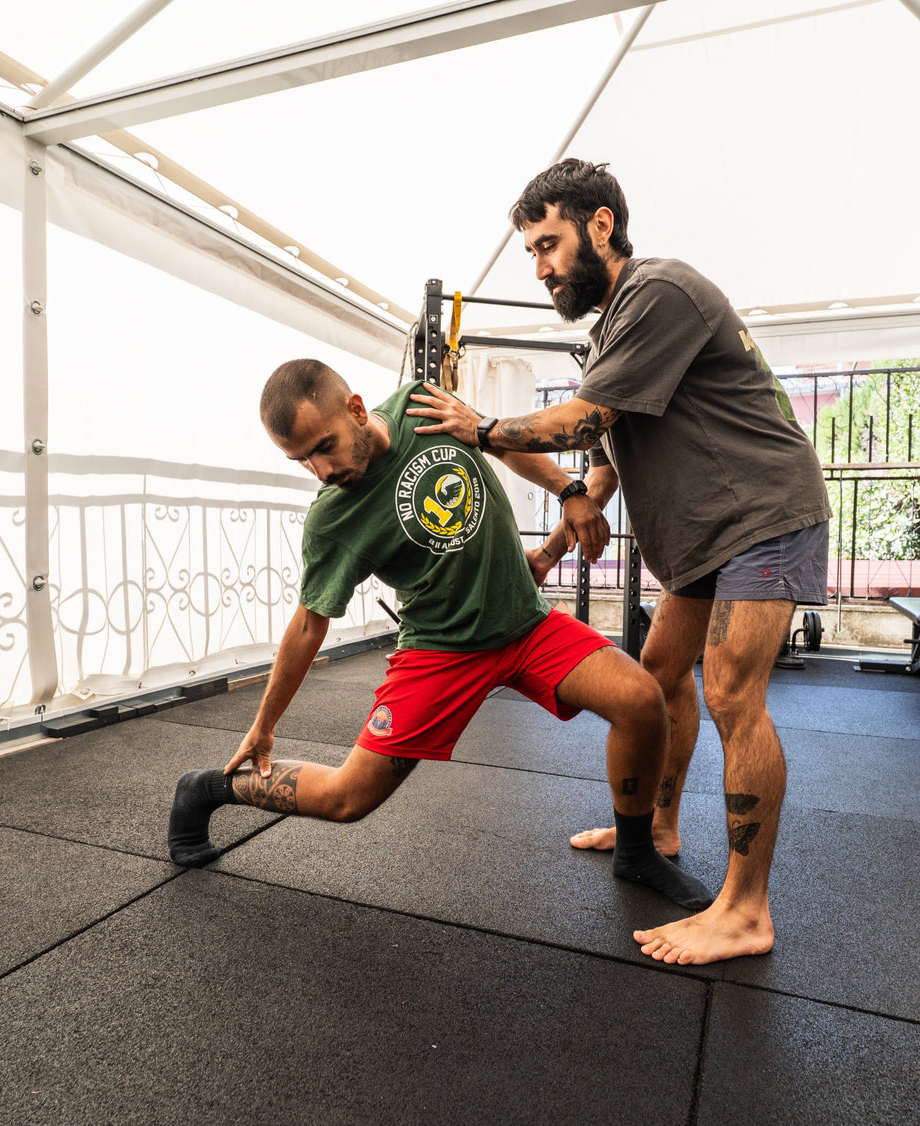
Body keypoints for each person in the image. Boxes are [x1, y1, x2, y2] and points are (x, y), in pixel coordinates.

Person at [407, 158, 831, 965]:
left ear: (600, 225)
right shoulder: (610, 333)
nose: (540, 269)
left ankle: (746, 910)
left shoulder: (658, 292)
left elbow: (583, 420)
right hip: (708, 536)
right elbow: (602, 467)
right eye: (532, 253)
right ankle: (660, 828)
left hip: (762, 514)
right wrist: (548, 550)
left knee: (731, 691)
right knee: (660, 672)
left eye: (548, 245)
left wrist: (480, 427)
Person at [166, 357, 713, 915]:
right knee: (347, 798)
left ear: (356, 409)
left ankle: (637, 851)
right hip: (441, 649)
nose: (321, 469)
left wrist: (570, 491)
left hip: (526, 625)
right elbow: (309, 623)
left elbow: (500, 442)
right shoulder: (333, 518)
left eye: (325, 446)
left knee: (641, 700)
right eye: (302, 459)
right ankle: (206, 789)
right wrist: (263, 726)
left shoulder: (420, 406)